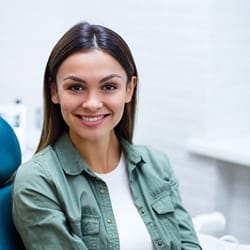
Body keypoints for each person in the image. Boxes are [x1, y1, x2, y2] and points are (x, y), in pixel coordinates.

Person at [12, 21, 201, 250]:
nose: (92, 104)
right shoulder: (38, 182)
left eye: (109, 87)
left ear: (129, 89)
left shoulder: (156, 164)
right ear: (54, 91)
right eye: (76, 87)